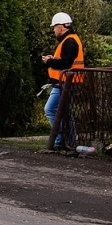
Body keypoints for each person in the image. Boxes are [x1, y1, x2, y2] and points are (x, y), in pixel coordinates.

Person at [42, 11, 85, 152]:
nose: (53, 30)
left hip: (66, 83)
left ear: (60, 27)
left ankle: (62, 139)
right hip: (66, 82)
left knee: (51, 109)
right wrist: (52, 59)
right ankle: (67, 141)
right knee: (65, 112)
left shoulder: (69, 41)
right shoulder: (70, 40)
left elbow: (66, 63)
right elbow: (66, 61)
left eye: (54, 27)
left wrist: (50, 61)